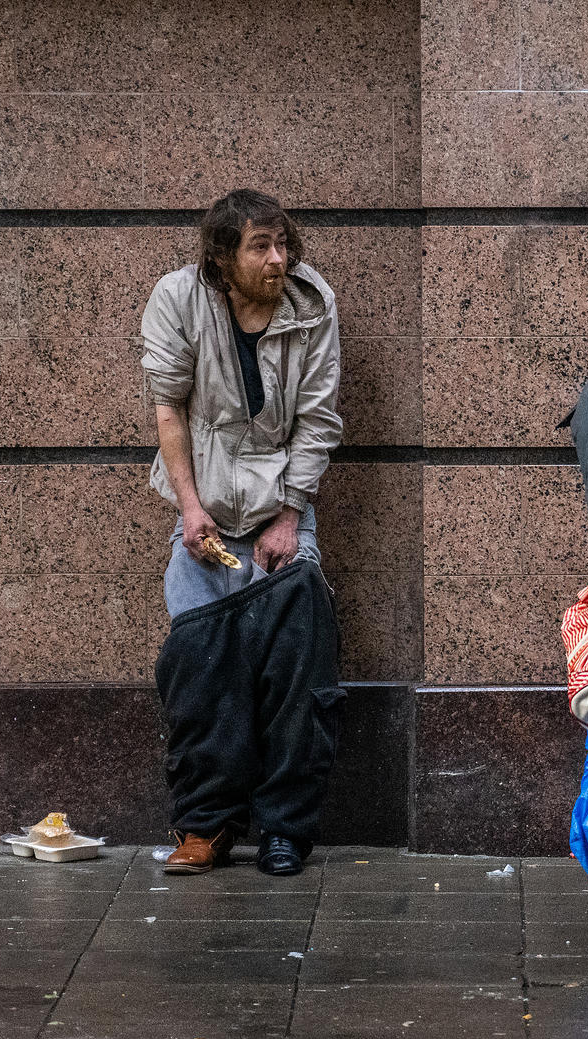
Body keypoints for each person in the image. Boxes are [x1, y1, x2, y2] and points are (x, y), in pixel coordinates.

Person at [141, 189, 344, 876]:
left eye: (283, 243)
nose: (277, 258)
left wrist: (290, 518)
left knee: (296, 672)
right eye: (260, 246)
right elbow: (169, 408)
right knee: (199, 671)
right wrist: (190, 510)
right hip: (203, 508)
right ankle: (206, 826)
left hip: (283, 508)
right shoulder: (178, 298)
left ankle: (285, 827)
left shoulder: (313, 304)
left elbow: (317, 420)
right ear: (223, 257)